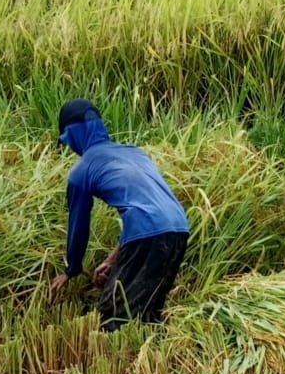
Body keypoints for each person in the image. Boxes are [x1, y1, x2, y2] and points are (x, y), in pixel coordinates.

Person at [48, 99, 190, 330]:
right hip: (179, 228)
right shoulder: (135, 153)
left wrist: (71, 269)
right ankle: (149, 358)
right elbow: (147, 211)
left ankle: (125, 359)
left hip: (149, 234)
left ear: (73, 135)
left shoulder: (81, 170)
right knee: (147, 309)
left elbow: (79, 226)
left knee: (115, 310)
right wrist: (110, 260)